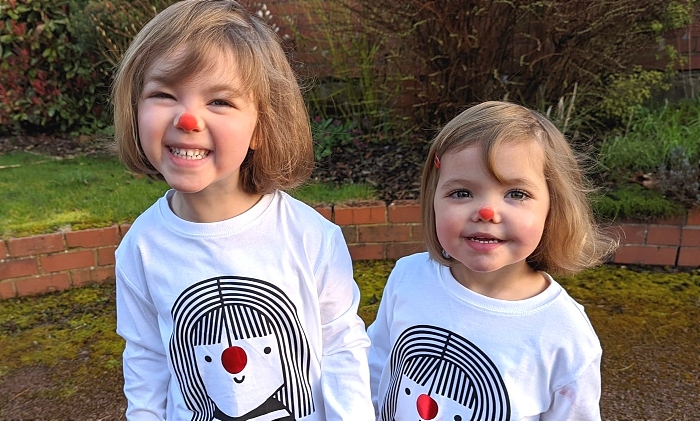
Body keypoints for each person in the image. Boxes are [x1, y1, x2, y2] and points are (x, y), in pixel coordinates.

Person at [111, 1, 374, 419]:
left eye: (219, 101)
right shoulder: (140, 249)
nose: (188, 118)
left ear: (261, 128)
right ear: (134, 108)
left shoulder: (310, 237)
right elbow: (146, 363)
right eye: (163, 94)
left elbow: (343, 347)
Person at [367, 101, 618, 420]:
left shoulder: (564, 334)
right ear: (433, 201)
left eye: (516, 193)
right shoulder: (408, 276)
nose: (486, 212)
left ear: (553, 207)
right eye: (461, 193)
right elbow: (378, 363)